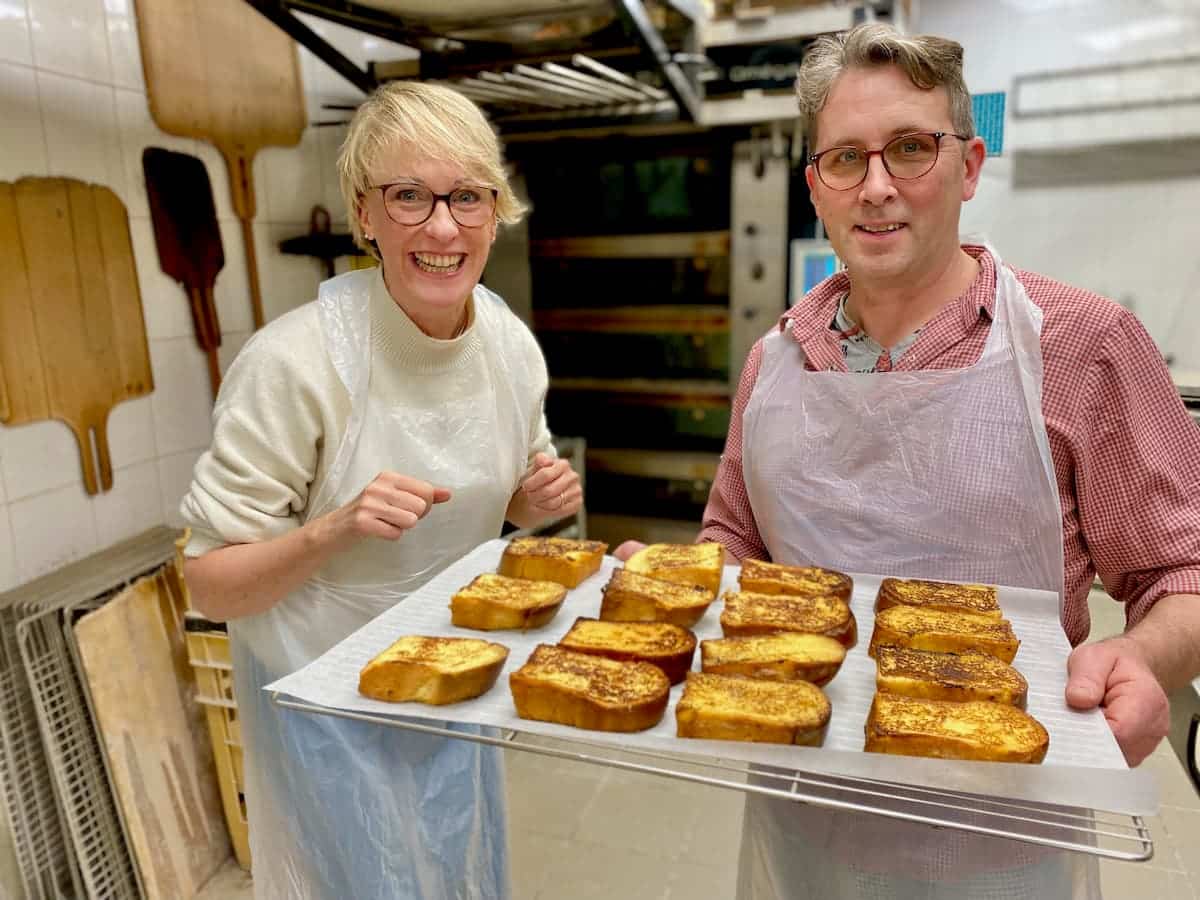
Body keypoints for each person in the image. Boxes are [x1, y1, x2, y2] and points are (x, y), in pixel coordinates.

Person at [617, 22, 1200, 899]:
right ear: (816, 186)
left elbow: (1181, 568)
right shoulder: (776, 359)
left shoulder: (1083, 347)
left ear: (967, 167)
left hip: (1005, 834)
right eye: (845, 159)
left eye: (911, 149)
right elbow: (734, 542)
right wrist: (680, 582)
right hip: (801, 813)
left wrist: (1148, 659)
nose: (878, 187)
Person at [179, 81, 580, 900]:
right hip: (326, 705)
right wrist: (334, 529)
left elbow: (503, 502)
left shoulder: (509, 346)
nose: (442, 227)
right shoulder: (294, 365)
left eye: (467, 196)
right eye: (408, 196)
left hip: (459, 676)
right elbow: (210, 583)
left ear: (496, 209)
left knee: (460, 871)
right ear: (364, 215)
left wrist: (534, 502)